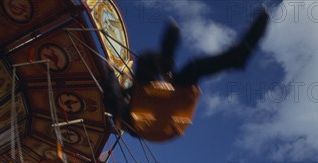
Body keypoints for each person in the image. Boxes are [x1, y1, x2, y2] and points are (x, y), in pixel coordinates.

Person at [103, 7, 270, 131]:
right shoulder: (124, 109)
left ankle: (166, 64)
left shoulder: (126, 104)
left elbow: (113, 97)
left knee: (158, 63)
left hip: (148, 115)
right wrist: (111, 73)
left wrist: (111, 73)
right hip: (146, 118)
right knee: (192, 67)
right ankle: (234, 58)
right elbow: (113, 99)